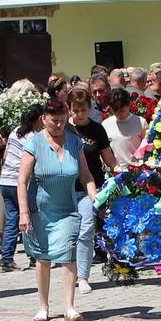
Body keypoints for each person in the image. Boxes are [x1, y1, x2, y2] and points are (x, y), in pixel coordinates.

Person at [18, 99, 98, 321]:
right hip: (40, 210)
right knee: (43, 259)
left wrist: (96, 200)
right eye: (54, 121)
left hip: (67, 209)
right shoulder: (33, 144)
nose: (58, 125)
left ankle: (70, 308)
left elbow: (86, 176)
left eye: (62, 121)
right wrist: (24, 213)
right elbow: (21, 181)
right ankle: (43, 306)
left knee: (67, 255)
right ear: (44, 119)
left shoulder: (75, 142)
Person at [64, 85, 114, 288]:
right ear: (69, 109)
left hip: (90, 187)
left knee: (86, 230)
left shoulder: (96, 129)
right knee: (69, 235)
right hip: (66, 189)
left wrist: (123, 173)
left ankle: (83, 277)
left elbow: (109, 158)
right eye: (75, 110)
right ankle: (70, 274)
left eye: (83, 110)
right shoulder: (64, 130)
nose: (80, 114)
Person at [0, 100, 40, 272]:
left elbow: (6, 154)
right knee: (28, 217)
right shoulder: (33, 137)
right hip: (20, 182)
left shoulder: (15, 131)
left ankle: (6, 259)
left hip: (5, 180)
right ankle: (33, 257)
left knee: (12, 220)